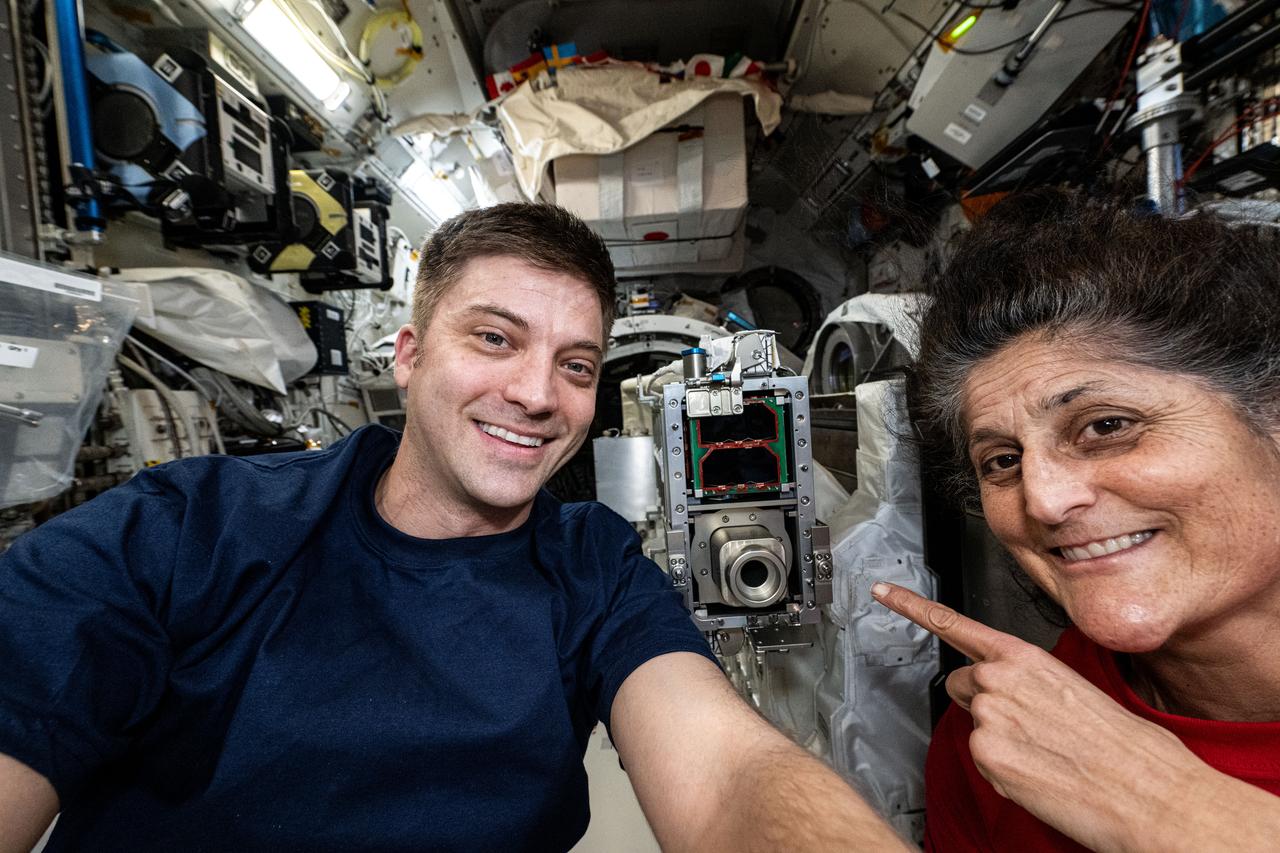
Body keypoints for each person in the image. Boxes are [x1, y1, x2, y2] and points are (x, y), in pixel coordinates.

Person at [0, 203, 909, 852]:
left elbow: (725, 772)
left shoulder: (590, 566)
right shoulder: (189, 529)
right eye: (494, 338)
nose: (536, 393)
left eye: (577, 364)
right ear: (408, 354)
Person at [873, 191, 1280, 851]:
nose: (1045, 500)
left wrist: (1169, 804)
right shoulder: (999, 736)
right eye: (1002, 460)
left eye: (1105, 426)